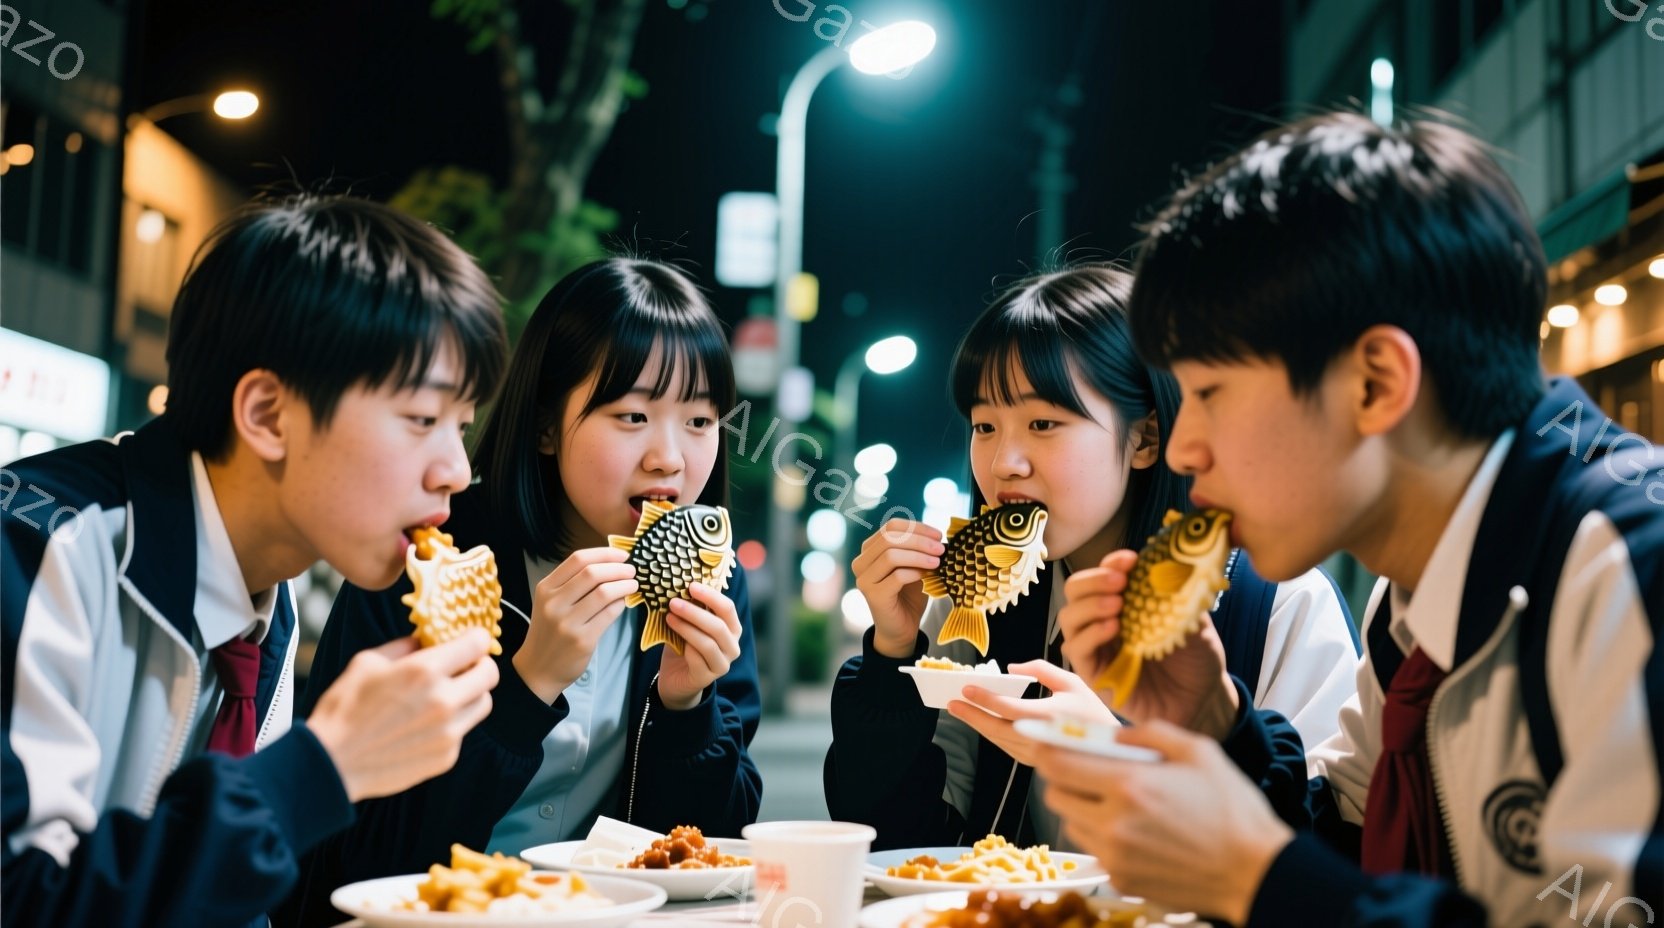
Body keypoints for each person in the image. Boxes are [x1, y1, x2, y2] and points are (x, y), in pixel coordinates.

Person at [1036, 112, 1664, 928]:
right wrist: (1213, 722)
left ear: (1374, 384)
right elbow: (1349, 849)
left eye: (1211, 394)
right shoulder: (1408, 599)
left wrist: (1257, 881)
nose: (1184, 449)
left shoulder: (1628, 570)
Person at [1, 194, 509, 926]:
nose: (457, 470)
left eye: (462, 426)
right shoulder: (33, 552)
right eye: (423, 420)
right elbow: (24, 903)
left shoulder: (269, 588)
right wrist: (323, 767)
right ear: (268, 414)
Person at [279, 257, 762, 925]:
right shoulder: (428, 562)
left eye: (701, 422)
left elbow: (710, 864)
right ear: (543, 425)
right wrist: (528, 685)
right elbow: (358, 856)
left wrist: (687, 709)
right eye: (630, 416)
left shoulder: (712, 588)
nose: (670, 458)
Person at [824, 264, 1360, 850]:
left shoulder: (1278, 603)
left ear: (1146, 439)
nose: (1005, 462)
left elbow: (1317, 857)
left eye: (1043, 422)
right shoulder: (976, 605)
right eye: (984, 425)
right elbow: (898, 842)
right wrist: (892, 653)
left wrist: (1117, 752)